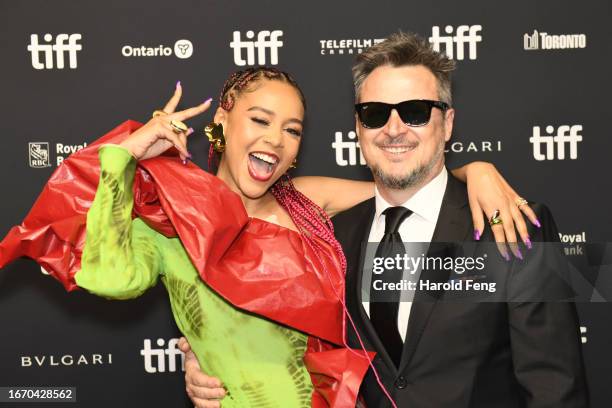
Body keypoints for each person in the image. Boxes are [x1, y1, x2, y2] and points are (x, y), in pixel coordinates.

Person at [1, 67, 536, 407]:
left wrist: (477, 169)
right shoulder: (171, 218)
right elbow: (111, 278)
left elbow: (410, 187)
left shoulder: (307, 199)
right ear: (225, 119)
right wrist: (125, 156)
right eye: (261, 119)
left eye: (293, 129)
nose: (276, 140)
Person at [183, 34, 588, 407]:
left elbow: (557, 387)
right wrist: (208, 365)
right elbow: (295, 350)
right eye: (375, 114)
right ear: (358, 127)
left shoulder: (516, 225)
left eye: (414, 112)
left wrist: (476, 169)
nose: (393, 129)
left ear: (446, 124)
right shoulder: (331, 238)